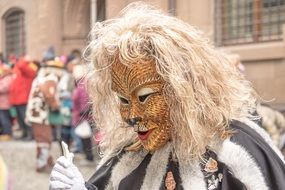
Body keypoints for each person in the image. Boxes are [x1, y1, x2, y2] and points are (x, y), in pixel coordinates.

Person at [49, 2, 285, 189]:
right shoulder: (130, 154)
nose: (131, 116)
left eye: (144, 97)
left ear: (183, 90)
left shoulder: (238, 152)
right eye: (123, 100)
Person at [26, 58, 67, 172]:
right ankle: (41, 163)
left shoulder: (40, 78)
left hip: (36, 114)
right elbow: (50, 96)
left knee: (44, 138)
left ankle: (48, 160)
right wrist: (56, 106)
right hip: (41, 115)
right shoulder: (51, 78)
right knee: (44, 139)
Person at [9, 56, 38, 140]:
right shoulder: (19, 70)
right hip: (16, 99)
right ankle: (24, 133)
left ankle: (30, 134)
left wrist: (24, 60)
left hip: (23, 99)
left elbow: (21, 66)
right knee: (20, 119)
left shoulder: (29, 69)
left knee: (25, 118)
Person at [0, 64, 13, 141]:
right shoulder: (3, 78)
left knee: (5, 119)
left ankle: (7, 133)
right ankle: (3, 132)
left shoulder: (8, 79)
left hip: (5, 103)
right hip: (2, 103)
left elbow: (3, 88)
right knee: (2, 119)